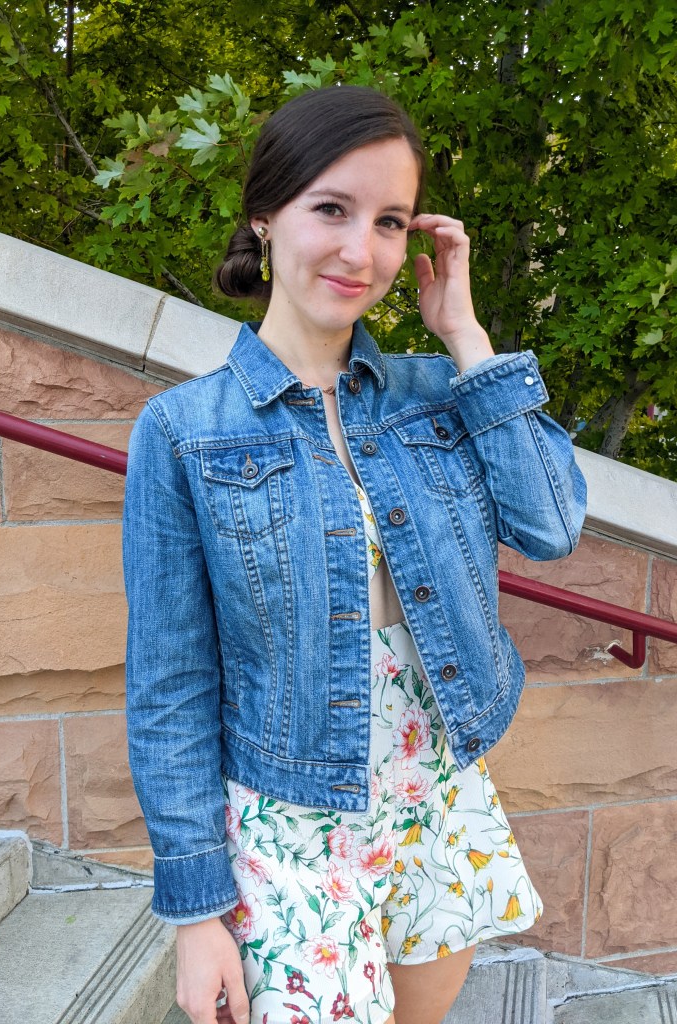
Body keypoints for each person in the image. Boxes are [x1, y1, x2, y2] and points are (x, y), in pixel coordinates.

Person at [122, 85, 587, 1024]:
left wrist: (464, 333)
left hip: (434, 783)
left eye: (389, 221)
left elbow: (551, 526)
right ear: (265, 215)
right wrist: (197, 911)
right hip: (289, 811)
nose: (359, 250)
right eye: (330, 209)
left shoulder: (437, 395)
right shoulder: (182, 431)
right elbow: (169, 682)